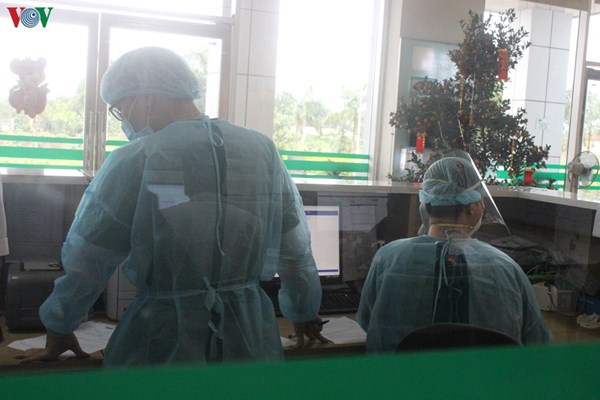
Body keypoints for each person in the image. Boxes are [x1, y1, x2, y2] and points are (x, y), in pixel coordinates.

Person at [20, 47, 327, 366]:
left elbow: (88, 261)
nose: (124, 121)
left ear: (146, 97)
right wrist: (303, 311)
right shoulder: (262, 150)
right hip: (249, 340)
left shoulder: (137, 159)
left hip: (162, 341)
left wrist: (59, 326)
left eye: (121, 109)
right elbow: (295, 251)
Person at [356, 156, 552, 352]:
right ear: (472, 207)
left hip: (402, 372)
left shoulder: (388, 258)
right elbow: (537, 342)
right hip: (484, 373)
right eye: (480, 200)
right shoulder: (506, 266)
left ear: (426, 204)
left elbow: (366, 322)